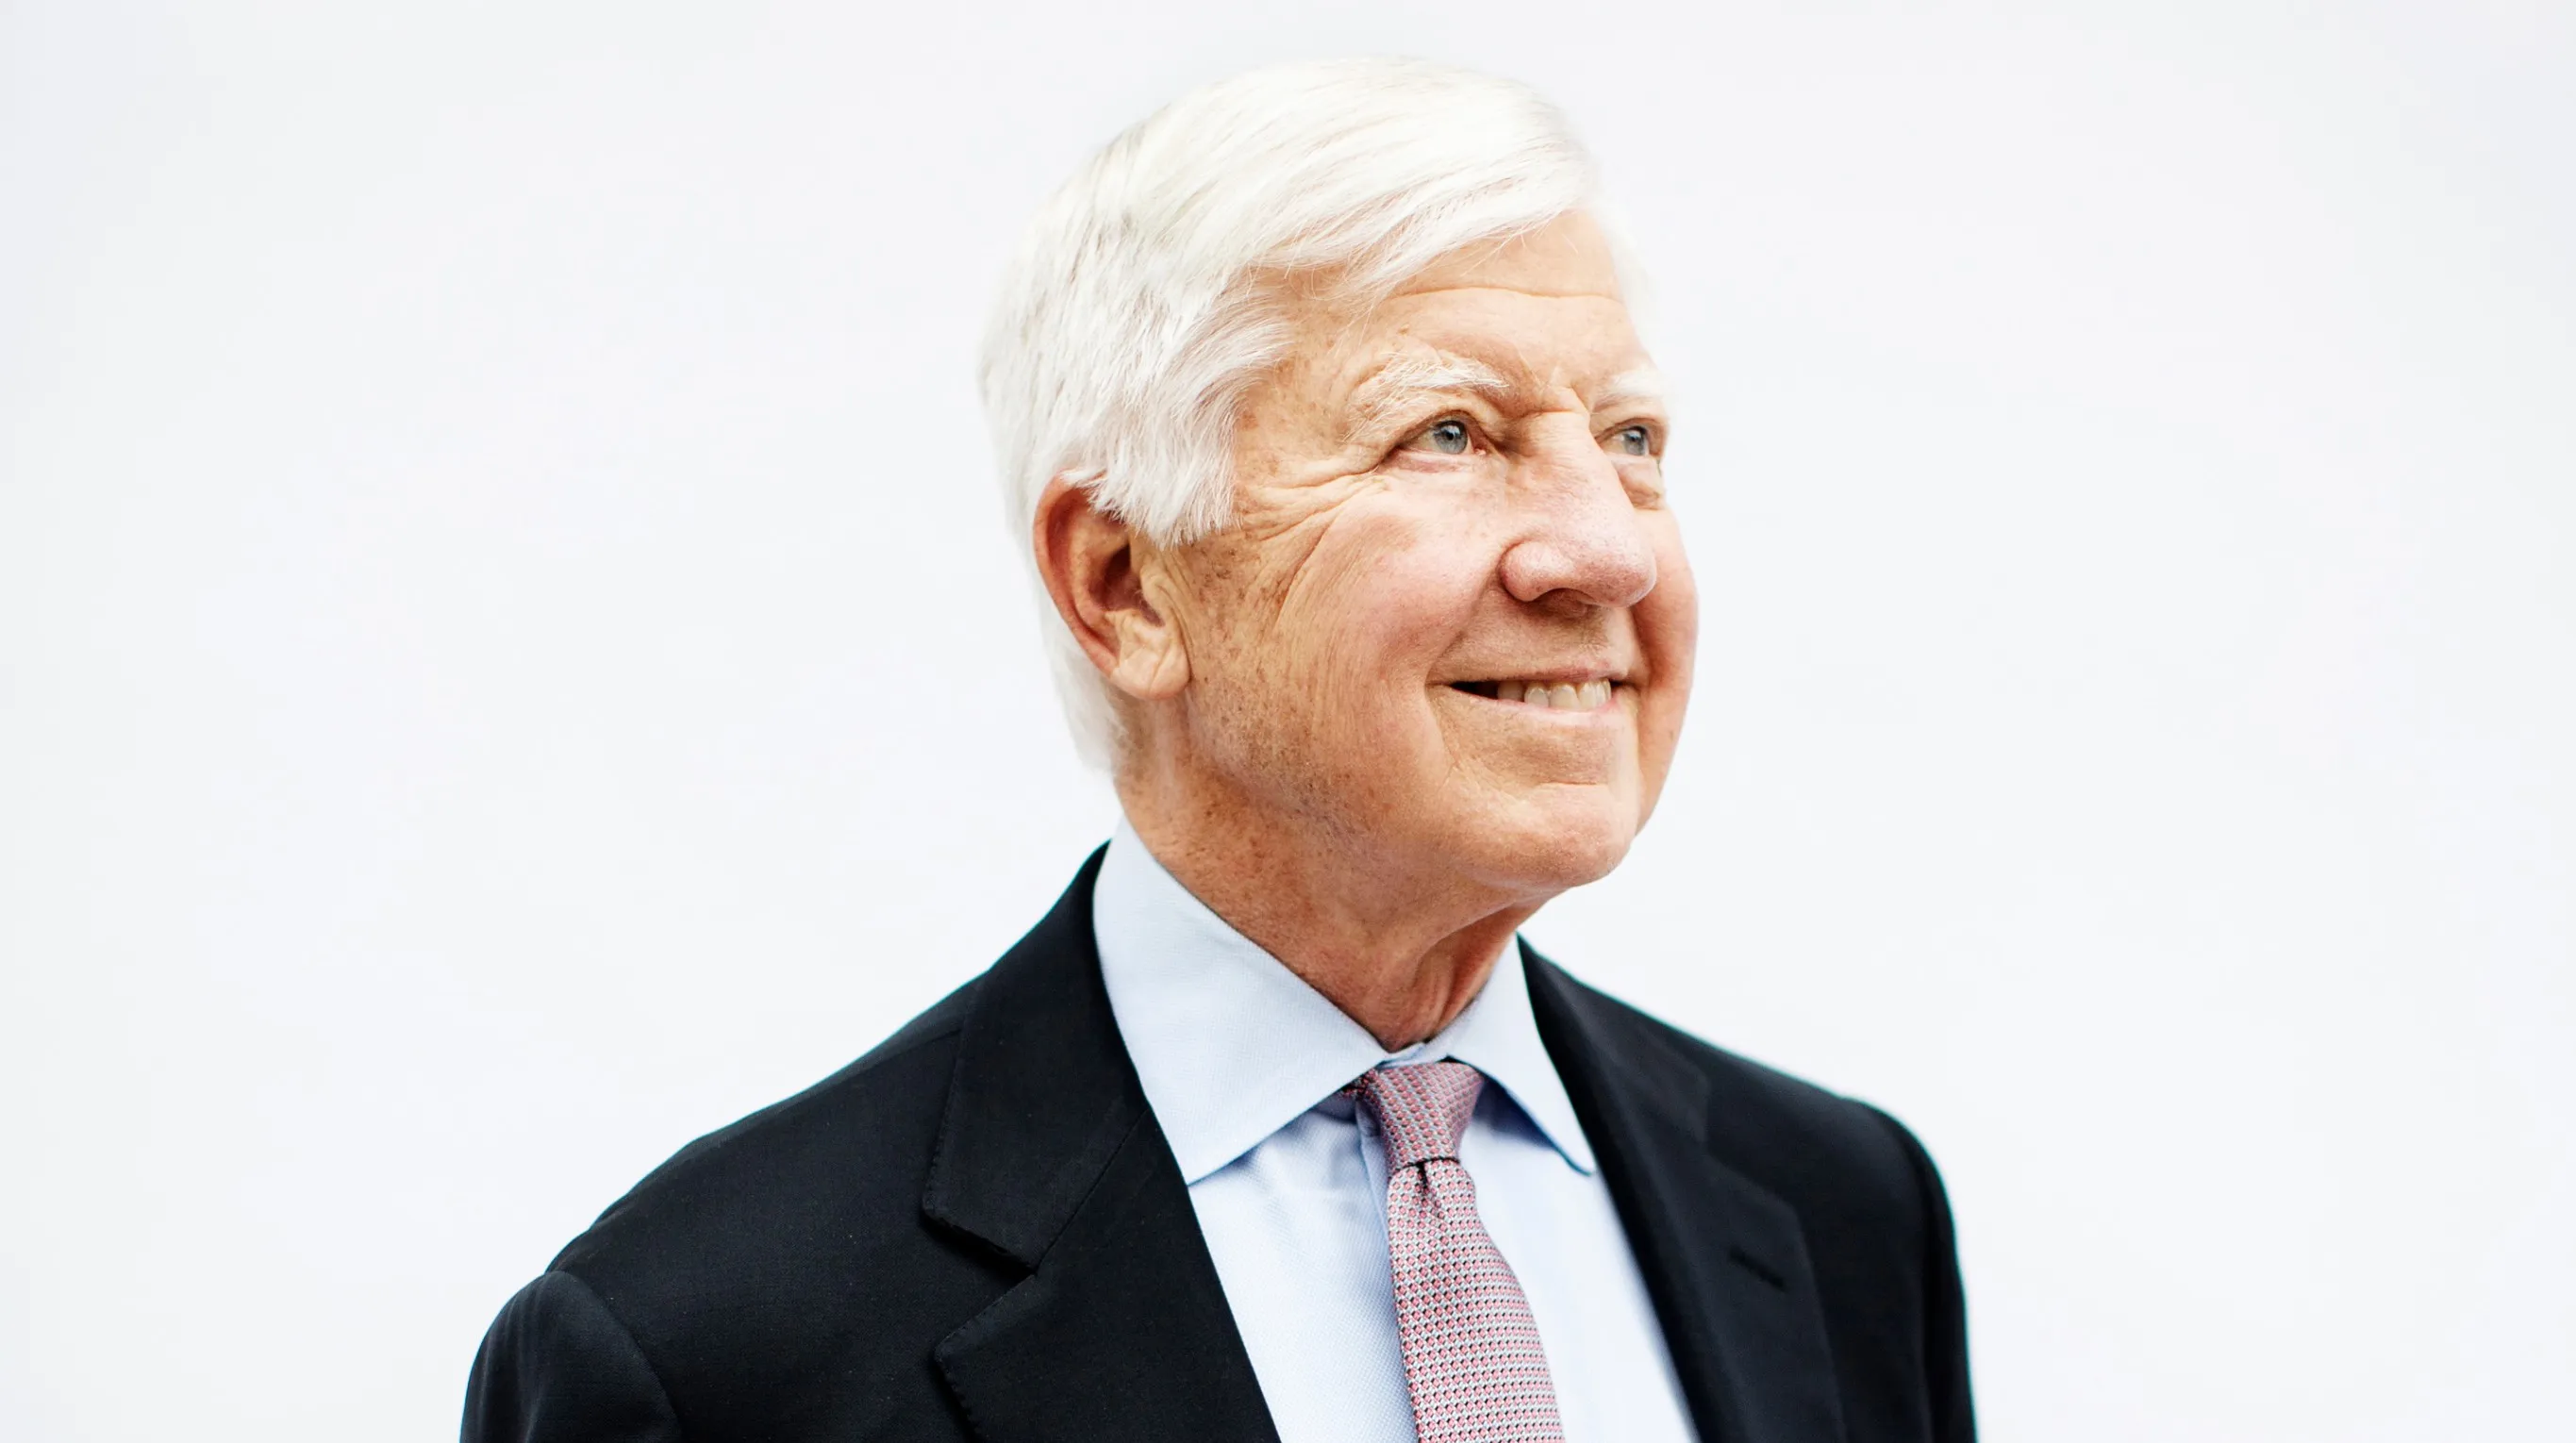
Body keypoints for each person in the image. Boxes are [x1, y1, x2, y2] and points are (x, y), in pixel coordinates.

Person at [464, 58, 1974, 1443]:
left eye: (1630, 439)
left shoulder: (1842, 1211)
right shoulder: (708, 1354)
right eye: (1449, 434)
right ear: (1126, 583)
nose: (1608, 551)